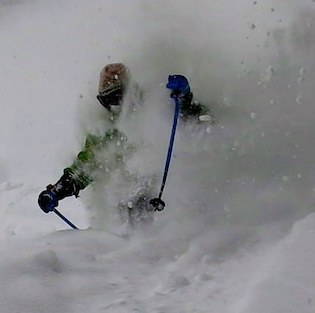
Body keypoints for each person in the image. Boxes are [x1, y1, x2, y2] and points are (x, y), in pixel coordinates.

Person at [37, 63, 211, 222]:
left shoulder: (154, 105)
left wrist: (184, 98)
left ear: (130, 91)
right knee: (127, 200)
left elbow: (192, 120)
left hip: (176, 190)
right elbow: (88, 165)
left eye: (118, 96)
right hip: (134, 202)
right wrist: (57, 191)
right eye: (108, 99)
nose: (114, 104)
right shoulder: (105, 129)